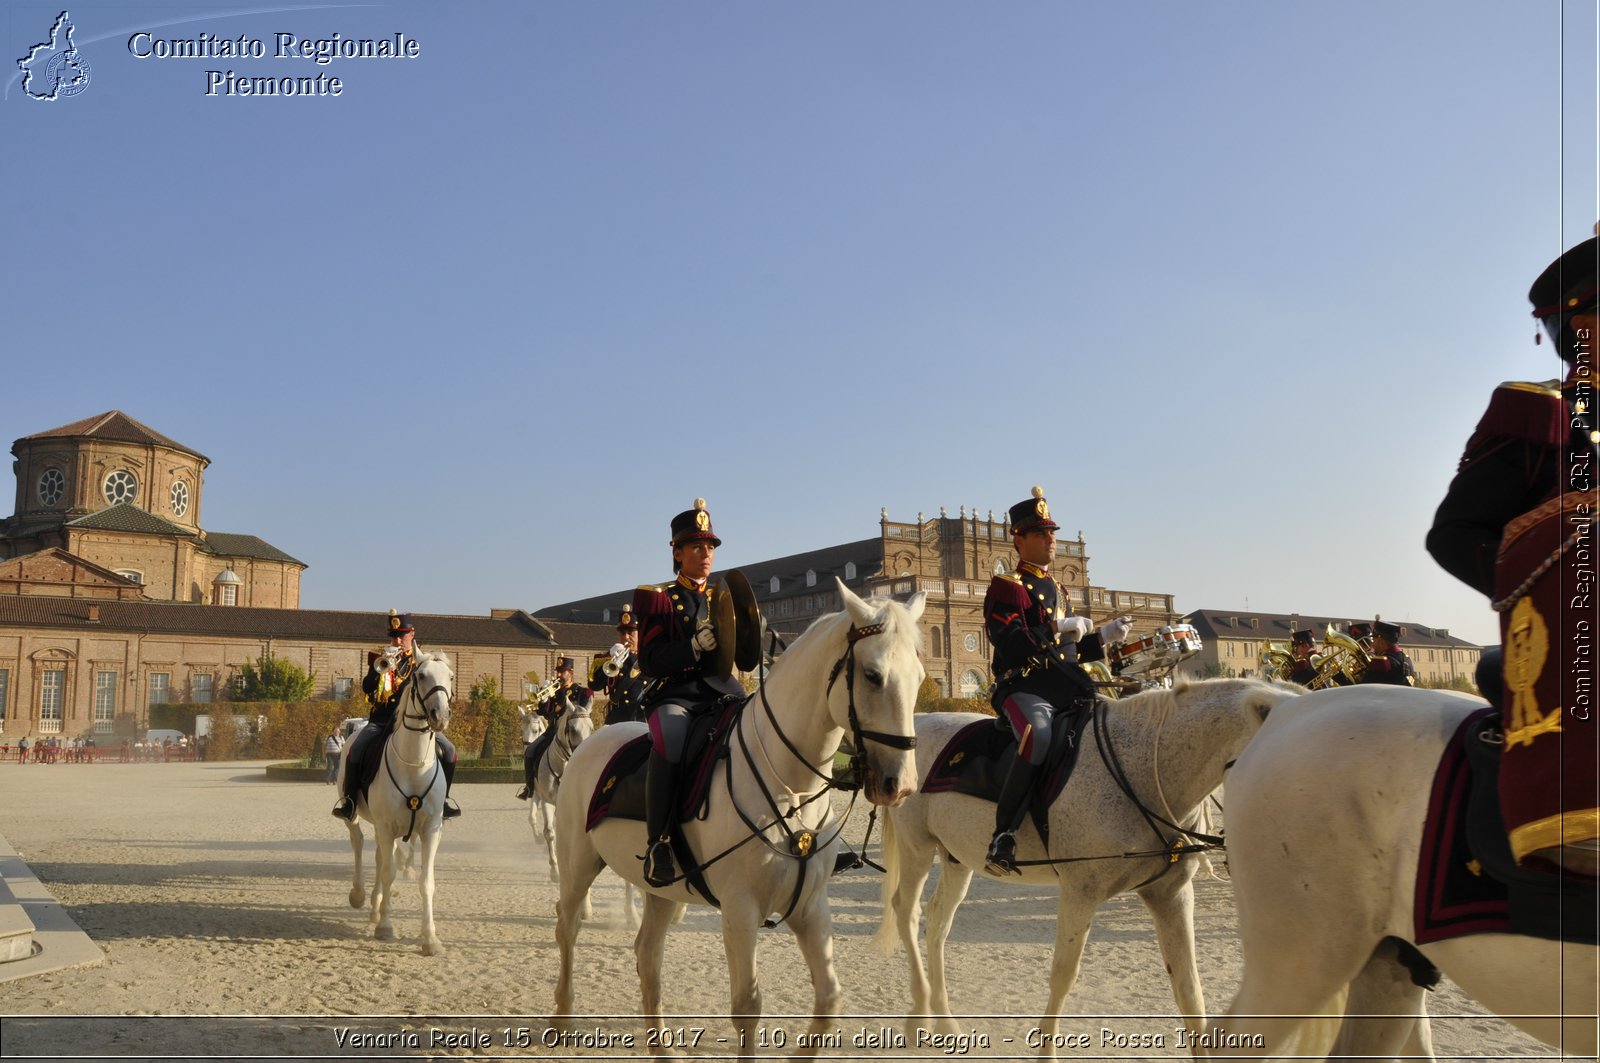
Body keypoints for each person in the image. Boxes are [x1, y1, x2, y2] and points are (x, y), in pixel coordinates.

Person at [1427, 231, 1598, 876]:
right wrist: (1542, 585)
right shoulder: (1539, 416)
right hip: (1568, 645)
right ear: (1580, 325)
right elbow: (1455, 533)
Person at [983, 487, 1132, 875]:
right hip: (1023, 686)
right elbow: (1010, 643)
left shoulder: (1060, 590)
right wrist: (1056, 626)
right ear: (1018, 538)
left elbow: (1069, 656)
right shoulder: (1007, 586)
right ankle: (1004, 834)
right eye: (1040, 533)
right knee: (1038, 735)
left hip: (1064, 685)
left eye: (1052, 532)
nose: (1052, 539)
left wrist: (1103, 638)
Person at [634, 498, 747, 887]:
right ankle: (659, 843)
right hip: (675, 694)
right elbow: (649, 660)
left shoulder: (723, 600)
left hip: (721, 690)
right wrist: (692, 648)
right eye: (697, 546)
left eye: (711, 546)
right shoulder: (658, 598)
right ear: (677, 553)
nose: (706, 554)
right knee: (673, 740)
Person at [332, 611, 461, 820]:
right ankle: (350, 802)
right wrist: (380, 668)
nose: (398, 640)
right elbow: (367, 687)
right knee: (354, 751)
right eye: (394, 636)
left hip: (414, 723)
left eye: (402, 635)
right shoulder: (381, 659)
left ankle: (443, 801)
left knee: (449, 751)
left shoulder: (422, 663)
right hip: (381, 721)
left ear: (412, 634)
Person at [515, 656, 592, 800]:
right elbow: (543, 713)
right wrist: (543, 700)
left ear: (571, 673)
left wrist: (563, 695)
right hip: (553, 731)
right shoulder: (553, 692)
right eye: (558, 672)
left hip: (573, 732)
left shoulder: (582, 692)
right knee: (530, 751)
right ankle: (529, 787)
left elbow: (583, 712)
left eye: (562, 672)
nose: (558, 675)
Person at [591, 605, 647, 725]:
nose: (626, 637)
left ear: (640, 634)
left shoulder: (648, 657)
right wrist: (608, 658)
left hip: (641, 718)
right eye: (622, 633)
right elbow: (594, 685)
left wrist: (630, 656)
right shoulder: (610, 657)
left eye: (631, 632)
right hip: (616, 720)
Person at [1357, 619, 1415, 686]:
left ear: (1381, 641)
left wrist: (1342, 675)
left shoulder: (1380, 662)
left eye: (1374, 639)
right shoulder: (1407, 659)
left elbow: (1361, 689)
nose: (1372, 643)